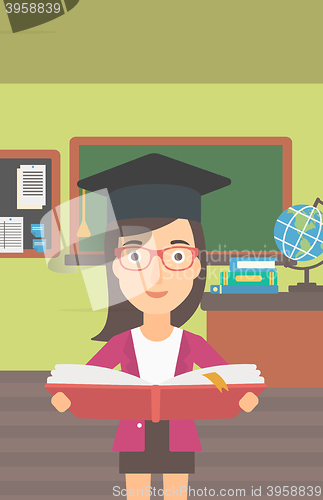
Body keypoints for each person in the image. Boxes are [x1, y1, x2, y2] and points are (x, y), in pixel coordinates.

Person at [51, 154, 259, 499]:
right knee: (136, 490)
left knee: (177, 490)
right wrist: (66, 396)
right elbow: (91, 376)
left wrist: (243, 396)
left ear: (196, 267)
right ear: (116, 269)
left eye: (177, 256)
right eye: (135, 257)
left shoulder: (191, 342)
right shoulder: (122, 341)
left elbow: (222, 376)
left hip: (179, 433)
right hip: (134, 432)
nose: (155, 275)